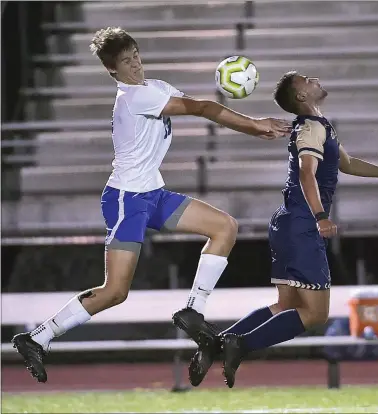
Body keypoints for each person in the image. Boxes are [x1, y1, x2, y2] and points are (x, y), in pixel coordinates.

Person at [11, 27, 291, 383]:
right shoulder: (132, 98)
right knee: (115, 292)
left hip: (153, 194)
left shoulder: (155, 88)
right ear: (112, 70)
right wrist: (254, 125)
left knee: (225, 227)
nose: (135, 65)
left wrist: (253, 127)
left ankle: (193, 312)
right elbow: (204, 107)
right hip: (127, 199)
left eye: (136, 56)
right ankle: (37, 337)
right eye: (126, 62)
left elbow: (206, 107)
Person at [188, 71, 378, 388]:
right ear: (301, 97)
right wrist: (321, 215)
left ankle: (218, 343)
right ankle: (239, 346)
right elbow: (306, 174)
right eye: (308, 80)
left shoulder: (318, 126)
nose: (315, 80)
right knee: (314, 315)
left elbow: (347, 163)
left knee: (286, 307)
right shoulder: (311, 128)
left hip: (287, 223)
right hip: (303, 224)